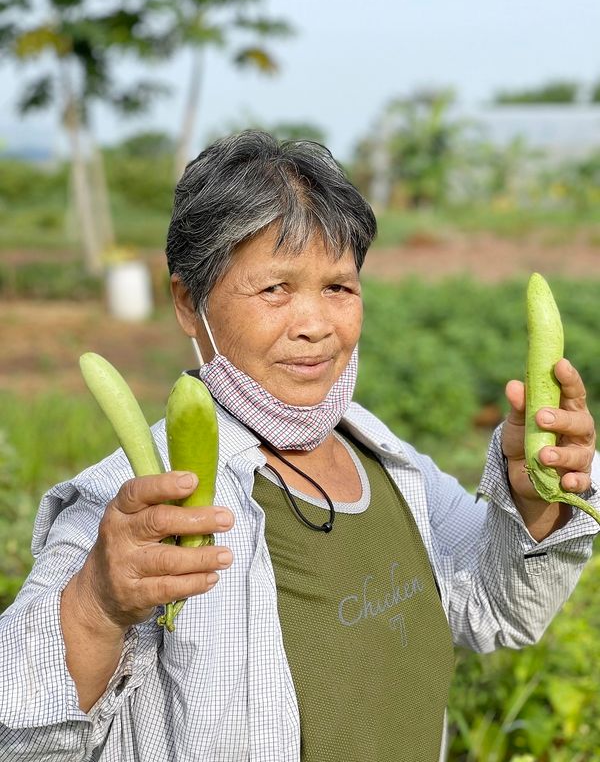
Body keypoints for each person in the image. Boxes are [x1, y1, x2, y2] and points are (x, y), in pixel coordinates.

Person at [1, 131, 598, 762]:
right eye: (275, 289)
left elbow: (497, 608)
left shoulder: (389, 464)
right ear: (187, 302)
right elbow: (20, 739)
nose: (315, 325)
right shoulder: (134, 509)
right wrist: (98, 604)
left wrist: (535, 500)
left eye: (338, 287)